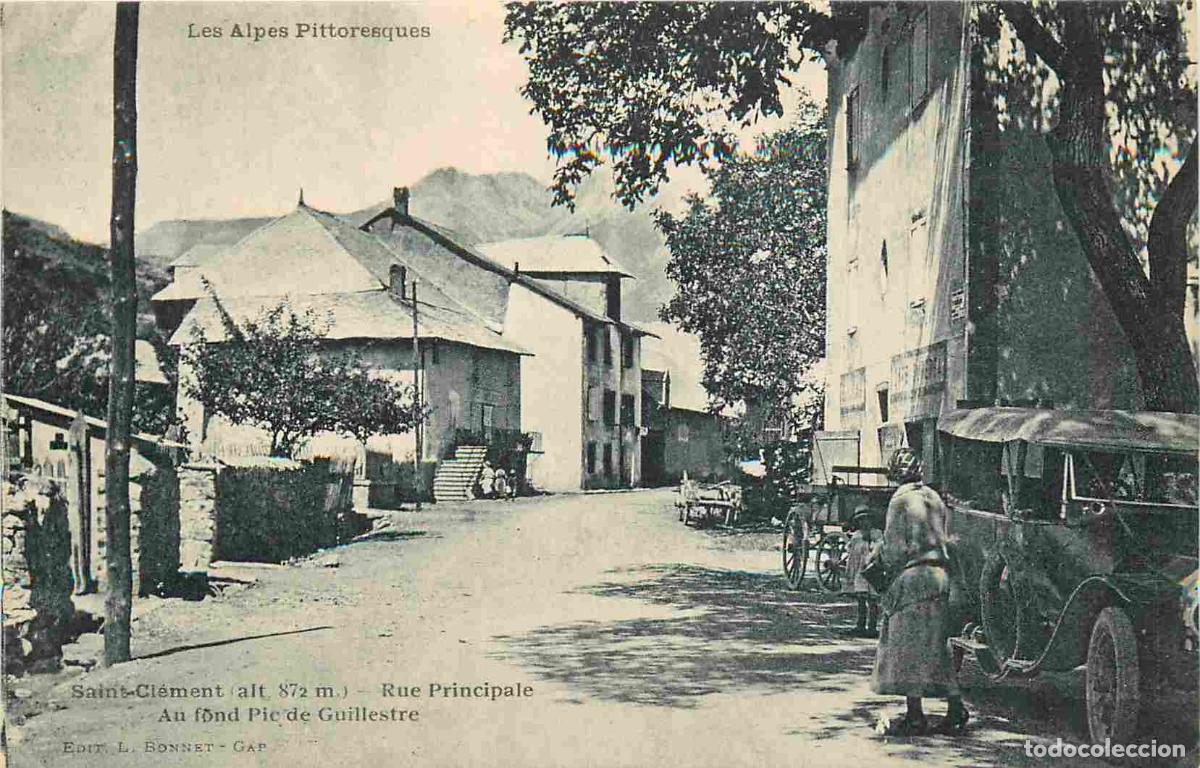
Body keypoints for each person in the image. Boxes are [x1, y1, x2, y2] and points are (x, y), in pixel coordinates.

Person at [872, 447, 969, 737]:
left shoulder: (899, 500)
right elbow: (947, 538)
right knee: (937, 647)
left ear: (894, 473)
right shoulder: (934, 498)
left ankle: (915, 716)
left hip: (913, 577)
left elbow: (893, 548)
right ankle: (955, 708)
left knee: (907, 648)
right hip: (939, 575)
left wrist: (881, 566)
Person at [841, 506, 883, 638]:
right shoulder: (856, 536)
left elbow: (880, 548)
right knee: (861, 599)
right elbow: (851, 554)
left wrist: (872, 548)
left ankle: (872, 627)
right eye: (861, 520)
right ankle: (860, 625)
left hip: (872, 569)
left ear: (871, 521)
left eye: (867, 520)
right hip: (859, 570)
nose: (864, 523)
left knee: (873, 601)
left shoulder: (877, 534)